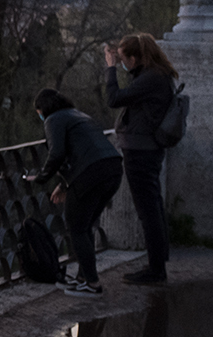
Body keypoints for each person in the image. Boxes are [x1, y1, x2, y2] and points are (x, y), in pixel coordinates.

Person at [22, 88, 124, 297]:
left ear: (43, 109)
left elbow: (57, 153)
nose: (39, 116)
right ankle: (83, 277)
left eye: (38, 112)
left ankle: (93, 284)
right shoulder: (79, 115)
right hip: (112, 169)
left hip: (90, 174)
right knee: (85, 225)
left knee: (77, 227)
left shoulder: (52, 120)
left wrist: (42, 178)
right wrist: (64, 184)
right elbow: (80, 151)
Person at [103, 33, 178, 286]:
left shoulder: (151, 79)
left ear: (135, 58)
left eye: (124, 59)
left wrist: (110, 69)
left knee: (148, 210)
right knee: (153, 206)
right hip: (148, 148)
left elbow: (114, 99)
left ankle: (155, 270)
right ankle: (158, 264)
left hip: (141, 150)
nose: (123, 64)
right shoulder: (158, 75)